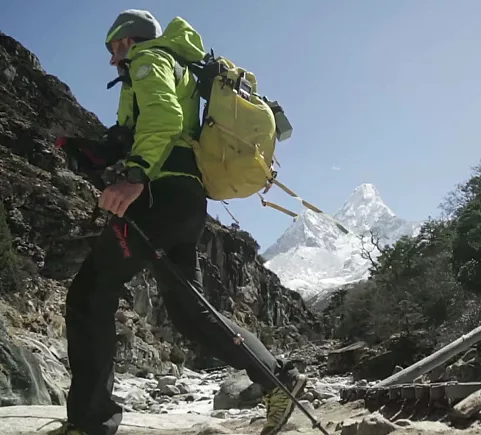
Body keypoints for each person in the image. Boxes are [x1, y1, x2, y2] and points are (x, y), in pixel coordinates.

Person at [48, 9, 307, 435]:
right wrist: (92, 149)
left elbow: (163, 118)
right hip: (186, 203)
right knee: (191, 313)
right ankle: (278, 377)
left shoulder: (149, 59)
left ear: (129, 39)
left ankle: (90, 422)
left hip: (157, 198)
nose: (113, 59)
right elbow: (140, 131)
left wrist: (133, 178)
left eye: (114, 47)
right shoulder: (175, 66)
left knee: (89, 295)